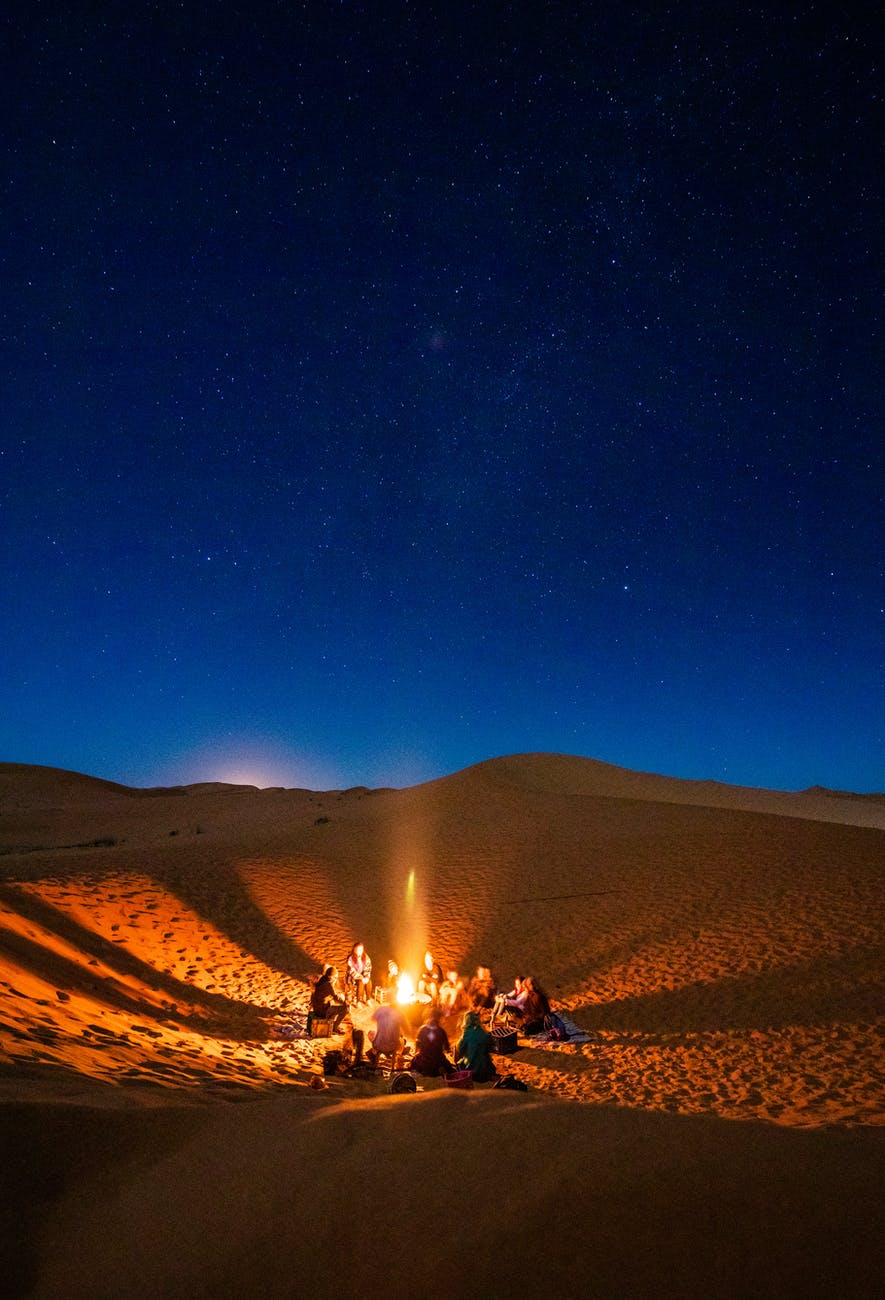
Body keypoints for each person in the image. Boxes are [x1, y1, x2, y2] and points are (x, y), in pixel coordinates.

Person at [456, 1010, 497, 1083]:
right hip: (486, 1071)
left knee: (457, 1051)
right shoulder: (483, 1032)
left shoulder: (466, 1034)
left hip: (472, 1072)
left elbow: (460, 1049)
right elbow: (491, 1044)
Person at [410, 1008, 453, 1077]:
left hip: (424, 1060)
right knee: (446, 1064)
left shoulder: (422, 1029)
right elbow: (447, 1047)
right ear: (439, 1018)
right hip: (438, 1060)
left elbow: (417, 1044)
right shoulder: (441, 1031)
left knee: (414, 1061)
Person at [310, 965, 348, 1033]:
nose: (336, 979)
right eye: (335, 977)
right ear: (330, 977)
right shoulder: (329, 985)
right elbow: (336, 997)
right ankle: (334, 1028)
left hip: (317, 1007)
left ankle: (332, 1023)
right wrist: (345, 1002)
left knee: (332, 1003)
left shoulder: (322, 979)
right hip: (322, 1010)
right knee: (344, 1009)